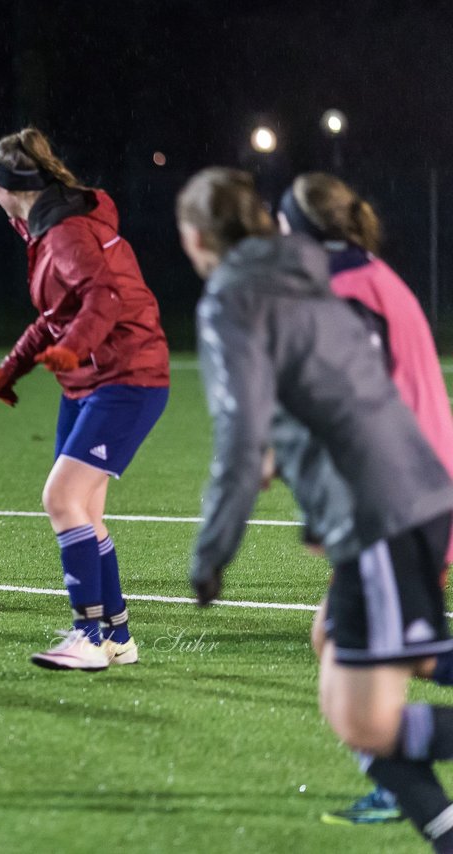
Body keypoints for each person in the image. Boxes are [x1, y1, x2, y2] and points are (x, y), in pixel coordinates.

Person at [178, 166, 453, 852]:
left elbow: (244, 438)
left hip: (386, 506)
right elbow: (340, 394)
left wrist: (213, 554)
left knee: (364, 714)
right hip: (399, 494)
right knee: (355, 672)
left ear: (195, 236)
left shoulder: (244, 299)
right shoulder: (316, 275)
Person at [276, 172, 453, 826]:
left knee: (369, 710)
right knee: (339, 645)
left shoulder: (346, 293)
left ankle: (406, 786)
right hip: (413, 493)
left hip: (397, 503)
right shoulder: (367, 275)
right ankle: (417, 800)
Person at [0, 127, 170, 671]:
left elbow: (102, 299)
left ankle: (87, 636)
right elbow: (57, 314)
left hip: (127, 379)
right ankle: (115, 636)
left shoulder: (64, 230)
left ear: (6, 186)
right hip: (92, 383)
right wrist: (12, 367)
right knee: (85, 510)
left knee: (61, 500)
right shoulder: (46, 226)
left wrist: (71, 349)